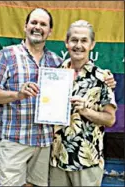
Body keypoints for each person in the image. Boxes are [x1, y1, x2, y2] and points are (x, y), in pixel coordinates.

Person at [0, 8, 116, 187]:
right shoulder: (13, 56)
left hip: (63, 151)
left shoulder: (65, 66)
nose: (38, 27)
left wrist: (97, 94)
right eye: (34, 23)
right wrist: (17, 94)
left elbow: (109, 119)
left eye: (43, 24)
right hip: (27, 144)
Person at [50, 20, 117, 187]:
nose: (78, 45)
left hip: (87, 162)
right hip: (57, 160)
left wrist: (86, 111)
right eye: (74, 40)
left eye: (84, 40)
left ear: (92, 44)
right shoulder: (54, 75)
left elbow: (110, 119)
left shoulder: (102, 78)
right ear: (66, 43)